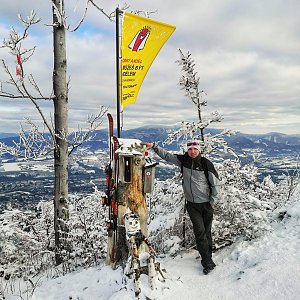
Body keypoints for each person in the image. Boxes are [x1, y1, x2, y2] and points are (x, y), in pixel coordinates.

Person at [146, 140, 220, 274]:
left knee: (206, 231)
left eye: (195, 149)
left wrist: (213, 201)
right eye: (190, 149)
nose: (192, 151)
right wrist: (155, 146)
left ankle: (208, 256)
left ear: (199, 150)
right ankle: (207, 261)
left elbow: (215, 183)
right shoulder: (183, 161)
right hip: (192, 204)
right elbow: (167, 156)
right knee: (200, 231)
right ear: (187, 150)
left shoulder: (205, 163)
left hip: (206, 204)